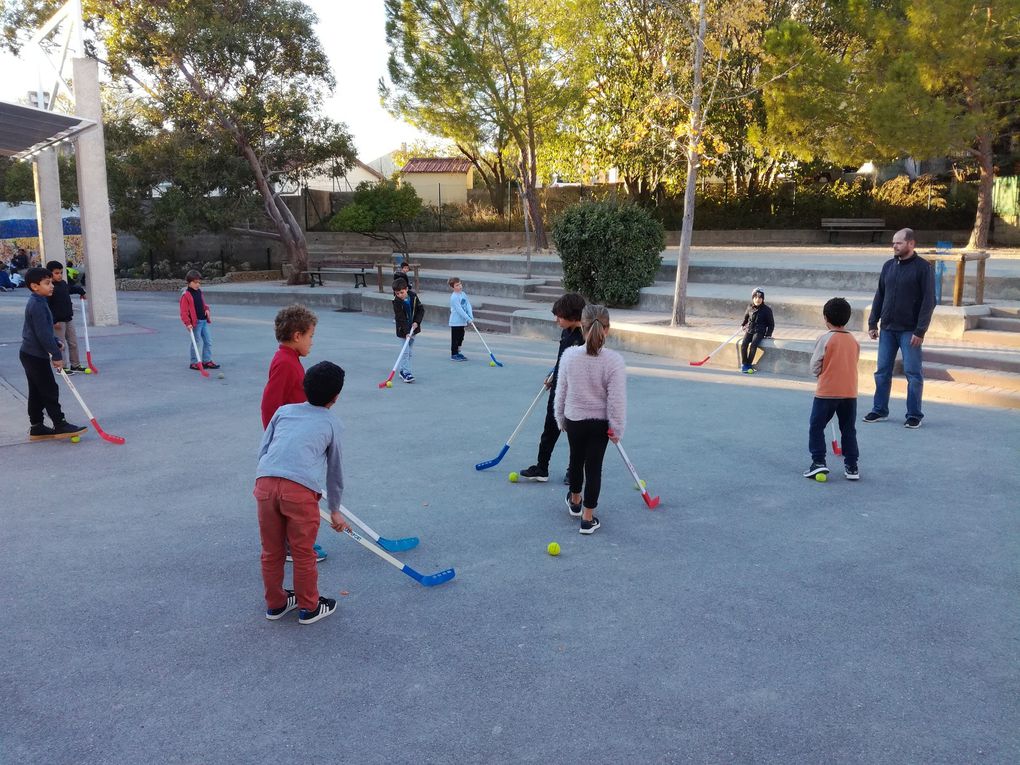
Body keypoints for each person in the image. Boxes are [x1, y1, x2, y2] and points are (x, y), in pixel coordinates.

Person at [255, 361, 350, 625]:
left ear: (304, 387)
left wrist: (268, 477)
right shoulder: (332, 423)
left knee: (271, 550)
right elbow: (335, 471)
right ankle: (309, 606)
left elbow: (264, 448)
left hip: (264, 482)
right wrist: (335, 510)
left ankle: (276, 604)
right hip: (299, 491)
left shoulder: (284, 411)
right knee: (302, 551)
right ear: (336, 397)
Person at [259, 304, 328, 563]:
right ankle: (291, 546)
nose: (312, 342)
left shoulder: (292, 360)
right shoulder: (285, 363)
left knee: (297, 492)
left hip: (297, 438)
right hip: (288, 444)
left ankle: (294, 541)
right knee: (293, 494)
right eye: (311, 336)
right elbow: (269, 405)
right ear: (297, 335)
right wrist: (277, 439)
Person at [555, 304, 627, 535]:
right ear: (607, 329)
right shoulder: (614, 361)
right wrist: (616, 428)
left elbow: (561, 390)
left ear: (582, 327)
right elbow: (616, 400)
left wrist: (559, 417)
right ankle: (587, 517)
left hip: (574, 417)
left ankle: (575, 500)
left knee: (575, 459)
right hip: (599, 422)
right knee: (594, 467)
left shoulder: (569, 356)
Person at [864, 228, 935, 429]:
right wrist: (872, 322)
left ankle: (914, 414)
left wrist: (920, 330)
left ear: (911, 244)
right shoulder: (888, 266)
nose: (894, 246)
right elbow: (880, 295)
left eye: (899, 243)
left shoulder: (923, 268)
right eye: (893, 243)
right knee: (882, 371)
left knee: (913, 373)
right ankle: (879, 410)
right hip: (887, 329)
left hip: (909, 330)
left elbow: (929, 301)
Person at [518, 292, 586, 484]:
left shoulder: (584, 337)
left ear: (573, 317)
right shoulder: (566, 332)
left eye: (560, 316)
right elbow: (561, 359)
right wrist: (553, 373)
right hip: (558, 389)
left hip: (575, 393)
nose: (556, 320)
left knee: (575, 434)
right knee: (550, 428)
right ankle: (542, 468)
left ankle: (573, 471)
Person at [18, 267, 86, 441]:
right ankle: (60, 423)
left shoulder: (39, 301)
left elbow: (42, 331)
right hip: (34, 356)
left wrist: (55, 342)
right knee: (49, 389)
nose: (51, 286)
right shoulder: (37, 304)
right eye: (47, 283)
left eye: (51, 282)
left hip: (30, 354)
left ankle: (37, 427)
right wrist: (56, 356)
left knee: (36, 391)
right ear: (34, 286)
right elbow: (41, 334)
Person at [804, 297, 861, 481]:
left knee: (816, 426)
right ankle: (852, 466)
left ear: (825, 318)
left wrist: (820, 372)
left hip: (827, 392)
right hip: (849, 392)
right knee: (848, 428)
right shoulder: (854, 341)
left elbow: (815, 366)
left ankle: (818, 462)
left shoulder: (824, 339)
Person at [46, 260, 87, 374]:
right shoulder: (50, 288)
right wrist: (54, 321)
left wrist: (82, 292)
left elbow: (72, 289)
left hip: (68, 318)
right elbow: (47, 307)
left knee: (73, 342)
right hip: (58, 321)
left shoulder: (63, 284)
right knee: (60, 345)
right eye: (56, 273)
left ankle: (75, 365)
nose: (59, 275)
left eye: (61, 273)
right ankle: (62, 367)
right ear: (50, 274)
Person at [179, 269, 220, 371]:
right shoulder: (186, 295)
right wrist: (187, 323)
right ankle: (194, 362)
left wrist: (206, 309)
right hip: (195, 323)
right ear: (189, 282)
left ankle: (207, 361)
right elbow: (183, 312)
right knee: (196, 342)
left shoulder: (199, 292)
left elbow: (203, 304)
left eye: (199, 282)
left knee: (208, 341)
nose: (198, 284)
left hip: (204, 321)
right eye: (195, 282)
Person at [392, 278, 424, 383]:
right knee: (405, 352)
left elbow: (421, 310)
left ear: (406, 289)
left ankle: (402, 370)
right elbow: (400, 318)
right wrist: (406, 332)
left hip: (413, 329)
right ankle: (406, 372)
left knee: (409, 352)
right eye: (397, 293)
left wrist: (417, 322)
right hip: (403, 331)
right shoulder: (397, 302)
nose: (400, 295)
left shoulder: (413, 296)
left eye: (402, 292)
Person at [739, 288, 774, 373]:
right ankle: (744, 364)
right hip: (750, 329)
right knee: (744, 345)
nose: (757, 300)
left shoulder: (767, 310)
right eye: (755, 298)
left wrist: (768, 334)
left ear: (763, 299)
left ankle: (749, 364)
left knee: (753, 346)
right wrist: (743, 325)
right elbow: (746, 317)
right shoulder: (749, 307)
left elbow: (771, 324)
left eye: (760, 298)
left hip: (759, 331)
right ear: (753, 298)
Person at [448, 277, 474, 361]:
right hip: (455, 322)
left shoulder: (463, 294)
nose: (460, 286)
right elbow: (459, 310)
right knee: (455, 338)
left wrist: (470, 315)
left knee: (461, 337)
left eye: (460, 284)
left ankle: (458, 351)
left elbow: (468, 304)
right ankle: (454, 354)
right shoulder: (454, 297)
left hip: (462, 321)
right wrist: (467, 318)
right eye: (457, 285)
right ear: (453, 287)